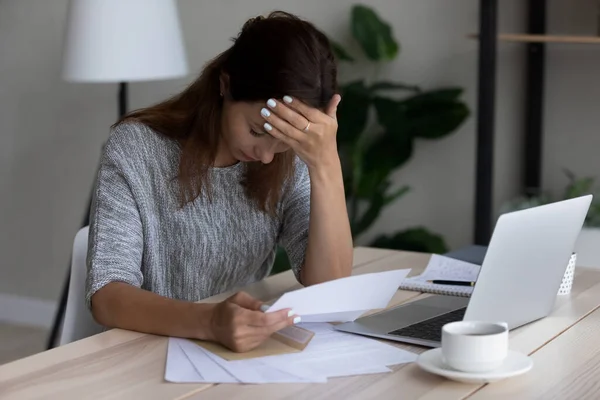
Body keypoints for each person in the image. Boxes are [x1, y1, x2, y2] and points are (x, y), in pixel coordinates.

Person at [86, 11, 353, 353]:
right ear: (226, 85)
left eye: (285, 141)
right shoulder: (137, 149)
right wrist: (210, 322)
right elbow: (106, 296)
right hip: (143, 351)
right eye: (257, 131)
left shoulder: (292, 157)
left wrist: (325, 164)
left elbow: (328, 292)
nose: (268, 155)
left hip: (236, 356)